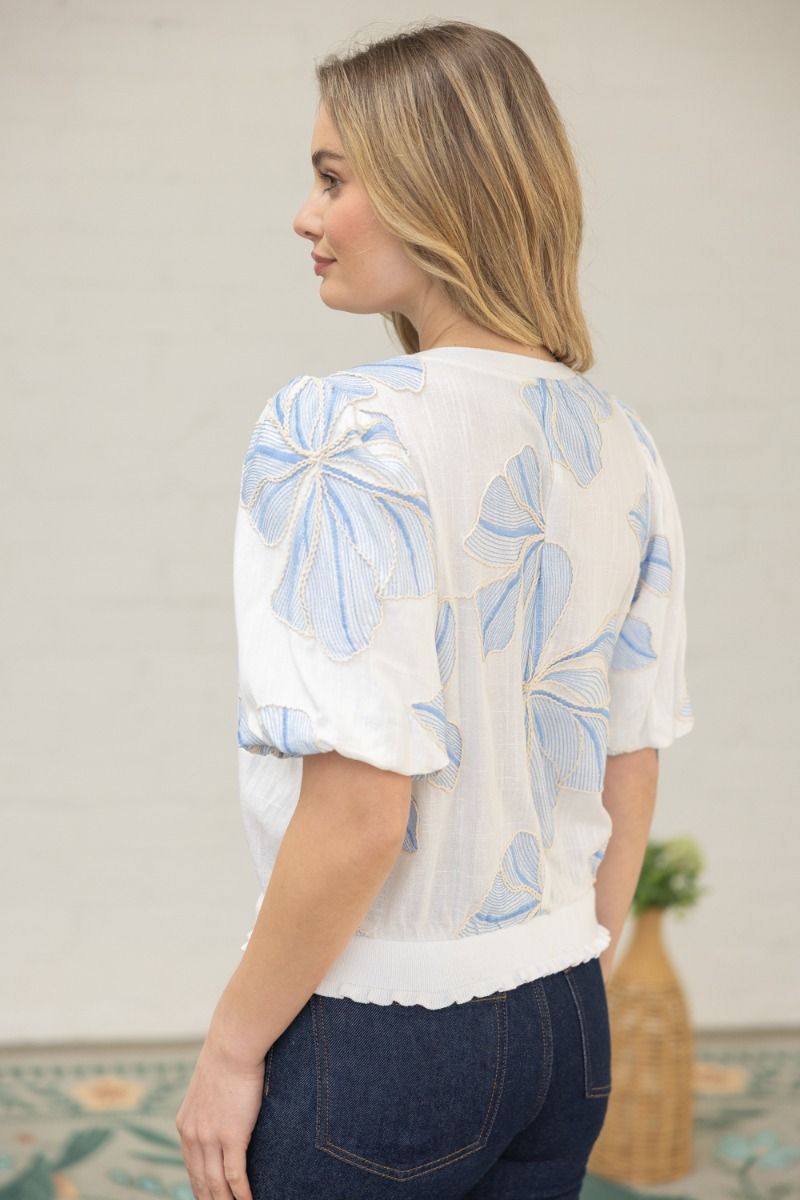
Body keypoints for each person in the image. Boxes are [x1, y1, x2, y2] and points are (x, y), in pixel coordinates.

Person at [175, 18, 695, 1200]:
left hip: (384, 1032)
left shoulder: (337, 429)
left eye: (332, 178)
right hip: (566, 1014)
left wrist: (231, 1049)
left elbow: (362, 811)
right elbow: (630, 764)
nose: (304, 215)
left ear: (434, 188)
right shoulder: (620, 441)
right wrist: (568, 961)